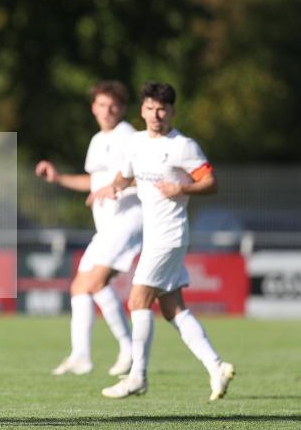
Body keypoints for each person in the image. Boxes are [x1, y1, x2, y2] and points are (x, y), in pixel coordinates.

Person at [90, 82, 235, 400]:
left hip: (169, 236)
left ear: (172, 112)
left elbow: (210, 182)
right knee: (173, 309)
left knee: (137, 300)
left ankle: (137, 377)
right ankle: (216, 367)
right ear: (142, 110)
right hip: (153, 235)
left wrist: (182, 188)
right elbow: (125, 176)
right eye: (150, 108)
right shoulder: (137, 143)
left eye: (162, 109)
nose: (156, 115)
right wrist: (109, 187)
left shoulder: (183, 146)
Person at [35, 81, 141, 377]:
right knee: (80, 287)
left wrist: (113, 187)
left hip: (128, 219)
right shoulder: (97, 140)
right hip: (106, 226)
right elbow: (92, 183)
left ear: (122, 108)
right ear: (94, 107)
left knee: (93, 283)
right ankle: (81, 356)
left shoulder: (128, 136)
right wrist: (58, 178)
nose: (107, 110)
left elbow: (141, 173)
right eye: (102, 104)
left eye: (113, 105)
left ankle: (129, 350)